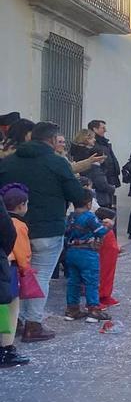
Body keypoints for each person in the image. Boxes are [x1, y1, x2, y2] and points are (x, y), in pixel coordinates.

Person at [0, 122, 87, 343]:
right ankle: (33, 324)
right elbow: (77, 195)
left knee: (12, 276)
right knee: (40, 276)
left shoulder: (8, 162)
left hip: (12, 230)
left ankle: (13, 322)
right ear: (50, 140)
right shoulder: (57, 163)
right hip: (47, 230)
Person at [62, 193, 112, 322]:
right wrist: (108, 225)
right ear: (89, 204)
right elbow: (100, 231)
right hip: (87, 252)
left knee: (73, 281)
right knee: (91, 281)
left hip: (71, 252)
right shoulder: (89, 216)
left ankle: (72, 309)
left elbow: (66, 232)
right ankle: (93, 310)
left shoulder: (71, 216)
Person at [0, 184, 31, 366]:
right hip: (7, 266)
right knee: (8, 307)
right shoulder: (18, 225)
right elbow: (9, 237)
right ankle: (5, 348)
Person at [86, 120, 121, 210]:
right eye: (103, 128)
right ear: (95, 129)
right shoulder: (95, 146)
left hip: (109, 180)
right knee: (104, 210)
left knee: (110, 208)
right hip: (102, 182)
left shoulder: (105, 144)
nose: (105, 130)